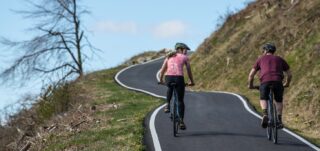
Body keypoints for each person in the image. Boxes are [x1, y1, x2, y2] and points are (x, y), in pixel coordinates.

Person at [248, 43, 292, 129]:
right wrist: (287, 83)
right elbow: (289, 75)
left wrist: (250, 85)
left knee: (263, 98)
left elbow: (251, 75)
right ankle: (279, 120)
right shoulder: (280, 59)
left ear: (265, 51)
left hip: (265, 82)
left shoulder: (260, 59)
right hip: (278, 82)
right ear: (273, 51)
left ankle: (265, 114)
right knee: (278, 100)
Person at [159, 42, 195, 130]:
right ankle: (181, 121)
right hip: (179, 79)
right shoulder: (185, 57)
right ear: (180, 49)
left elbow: (162, 70)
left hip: (168, 78)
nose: (186, 52)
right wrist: (191, 81)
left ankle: (167, 105)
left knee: (170, 87)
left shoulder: (169, 56)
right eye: (185, 50)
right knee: (180, 100)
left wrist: (161, 80)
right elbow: (189, 70)